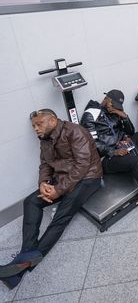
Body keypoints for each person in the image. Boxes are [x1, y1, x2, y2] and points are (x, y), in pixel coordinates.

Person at [0, 109, 102, 289]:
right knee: (30, 201)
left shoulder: (75, 131)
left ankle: (20, 269)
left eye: (39, 124)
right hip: (62, 179)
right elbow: (45, 164)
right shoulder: (44, 140)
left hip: (88, 178)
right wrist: (43, 183)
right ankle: (26, 255)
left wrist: (58, 190)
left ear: (53, 121)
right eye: (33, 126)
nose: (36, 129)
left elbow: (82, 165)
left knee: (61, 216)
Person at [80, 90, 138, 214]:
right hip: (106, 157)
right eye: (112, 105)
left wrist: (125, 118)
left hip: (123, 145)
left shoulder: (114, 111)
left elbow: (130, 132)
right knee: (134, 161)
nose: (113, 108)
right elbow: (92, 144)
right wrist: (113, 151)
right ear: (106, 100)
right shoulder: (90, 115)